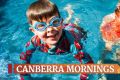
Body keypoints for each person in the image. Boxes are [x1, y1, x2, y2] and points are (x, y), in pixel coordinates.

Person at [20, 0, 94, 80]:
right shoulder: (34, 42)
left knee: (75, 24)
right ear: (33, 31)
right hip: (63, 28)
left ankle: (72, 16)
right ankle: (67, 16)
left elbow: (88, 65)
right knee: (67, 23)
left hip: (76, 31)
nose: (50, 29)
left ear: (61, 23)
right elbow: (24, 59)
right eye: (41, 26)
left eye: (54, 21)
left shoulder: (73, 43)